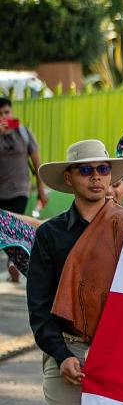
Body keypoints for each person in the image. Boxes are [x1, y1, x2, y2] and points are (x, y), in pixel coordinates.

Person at [26, 140, 123, 405]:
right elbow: (39, 309)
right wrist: (61, 357)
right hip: (68, 353)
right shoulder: (50, 234)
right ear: (70, 178)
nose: (96, 177)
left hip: (119, 353)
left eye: (103, 169)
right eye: (85, 170)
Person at [0, 97, 42, 282]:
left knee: (13, 224)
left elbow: (36, 161)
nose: (4, 117)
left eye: (6, 113)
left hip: (19, 190)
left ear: (12, 112)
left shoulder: (23, 133)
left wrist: (41, 189)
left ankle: (14, 262)